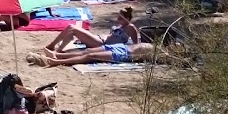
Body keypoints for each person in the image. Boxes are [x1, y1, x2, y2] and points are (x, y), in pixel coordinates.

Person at [42, 7, 140, 54]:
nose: (118, 20)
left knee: (72, 27)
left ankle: (55, 49)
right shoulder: (120, 26)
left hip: (102, 44)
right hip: (99, 39)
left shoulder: (130, 27)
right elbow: (111, 35)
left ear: (127, 18)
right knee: (71, 29)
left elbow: (137, 44)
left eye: (120, 18)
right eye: (118, 17)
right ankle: (56, 48)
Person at [27, 39, 160, 67]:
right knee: (88, 50)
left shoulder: (161, 55)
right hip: (123, 47)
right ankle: (58, 55)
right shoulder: (161, 45)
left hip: (124, 55)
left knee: (90, 56)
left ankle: (56, 61)